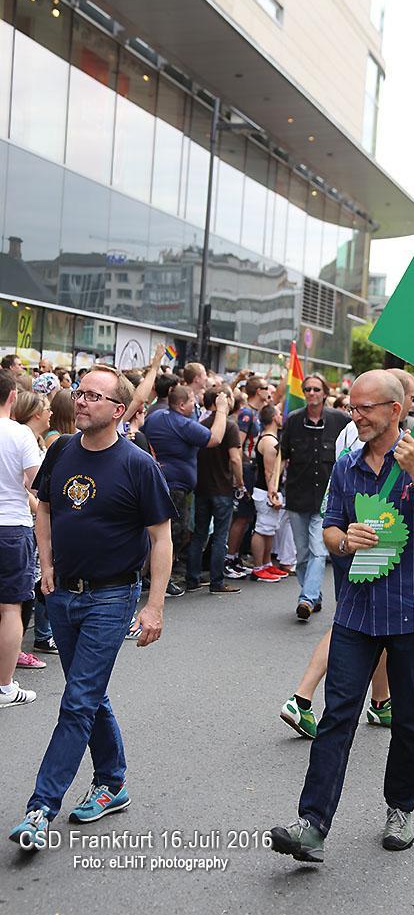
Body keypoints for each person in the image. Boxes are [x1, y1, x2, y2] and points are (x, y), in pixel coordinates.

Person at [270, 370, 414, 862]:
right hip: (356, 612)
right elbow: (330, 529)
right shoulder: (347, 466)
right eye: (352, 407)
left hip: (413, 612)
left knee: (408, 718)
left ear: (395, 410)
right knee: (337, 716)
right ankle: (312, 824)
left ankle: (400, 809)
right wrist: (345, 539)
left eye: (364, 408)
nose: (355, 416)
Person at [8, 364, 176, 850]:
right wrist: (45, 563)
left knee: (79, 698)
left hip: (112, 595)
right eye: (79, 393)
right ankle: (112, 781)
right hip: (63, 594)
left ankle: (40, 809)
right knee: (89, 692)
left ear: (119, 410)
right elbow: (44, 506)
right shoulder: (61, 449)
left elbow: (161, 537)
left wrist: (154, 606)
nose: (80, 401)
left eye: (93, 396)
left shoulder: (138, 464)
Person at [281, 368, 414, 738]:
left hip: (364, 539)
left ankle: (380, 701)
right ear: (397, 404)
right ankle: (303, 696)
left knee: (375, 623)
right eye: (411, 398)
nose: (357, 415)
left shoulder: (392, 439)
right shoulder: (366, 434)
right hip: (358, 540)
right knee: (350, 621)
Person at [141, 383, 228, 597]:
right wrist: (222, 410)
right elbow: (215, 438)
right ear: (181, 405)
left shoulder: (156, 416)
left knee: (160, 534)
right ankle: (162, 579)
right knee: (172, 535)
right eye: (191, 401)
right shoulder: (182, 423)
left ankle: (149, 575)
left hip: (162, 483)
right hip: (175, 489)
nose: (194, 404)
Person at [281, 374, 349, 621]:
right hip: (297, 496)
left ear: (325, 393)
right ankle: (313, 595)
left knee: (318, 551)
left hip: (326, 500)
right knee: (302, 555)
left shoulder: (340, 420)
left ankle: (307, 599)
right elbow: (282, 456)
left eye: (316, 389)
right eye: (308, 389)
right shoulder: (293, 420)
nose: (311, 393)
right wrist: (273, 486)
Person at [0, 371, 42, 708]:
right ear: (12, 396)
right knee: (10, 608)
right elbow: (37, 482)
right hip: (11, 525)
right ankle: (4, 687)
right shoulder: (20, 434)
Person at [185, 386, 243, 595]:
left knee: (199, 534)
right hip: (222, 488)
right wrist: (240, 482)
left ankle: (192, 578)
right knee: (220, 536)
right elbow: (235, 458)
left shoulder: (199, 425)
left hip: (202, 487)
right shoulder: (230, 426)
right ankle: (217, 581)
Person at [13, 391, 55, 668]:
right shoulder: (23, 438)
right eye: (47, 408)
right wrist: (41, 508)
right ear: (36, 413)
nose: (51, 413)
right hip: (23, 522)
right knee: (22, 591)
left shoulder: (34, 438)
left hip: (27, 520)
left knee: (30, 586)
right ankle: (14, 650)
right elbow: (30, 486)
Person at [225, 375, 270, 579]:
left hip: (253, 469)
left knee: (247, 516)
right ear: (258, 391)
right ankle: (229, 558)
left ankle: (236, 556)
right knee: (241, 516)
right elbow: (238, 443)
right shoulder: (246, 413)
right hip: (246, 468)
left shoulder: (257, 413)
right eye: (266, 387)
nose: (268, 391)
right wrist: (239, 475)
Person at [250, 402, 288, 583]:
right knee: (262, 529)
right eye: (279, 413)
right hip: (265, 491)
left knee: (270, 529)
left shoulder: (271, 439)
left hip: (271, 489)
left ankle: (266, 563)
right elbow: (268, 472)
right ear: (274, 418)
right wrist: (272, 494)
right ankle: (258, 567)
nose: (282, 416)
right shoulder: (269, 441)